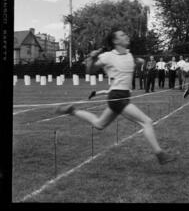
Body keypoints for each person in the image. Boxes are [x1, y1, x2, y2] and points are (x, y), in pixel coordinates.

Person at [56, 29, 176, 165]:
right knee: (146, 121)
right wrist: (91, 57)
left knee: (99, 124)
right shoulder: (108, 56)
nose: (126, 36)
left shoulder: (129, 55)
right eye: (122, 35)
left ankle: (72, 111)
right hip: (117, 96)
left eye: (126, 34)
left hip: (122, 96)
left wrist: (138, 62)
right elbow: (89, 70)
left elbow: (130, 64)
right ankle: (160, 154)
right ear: (115, 41)